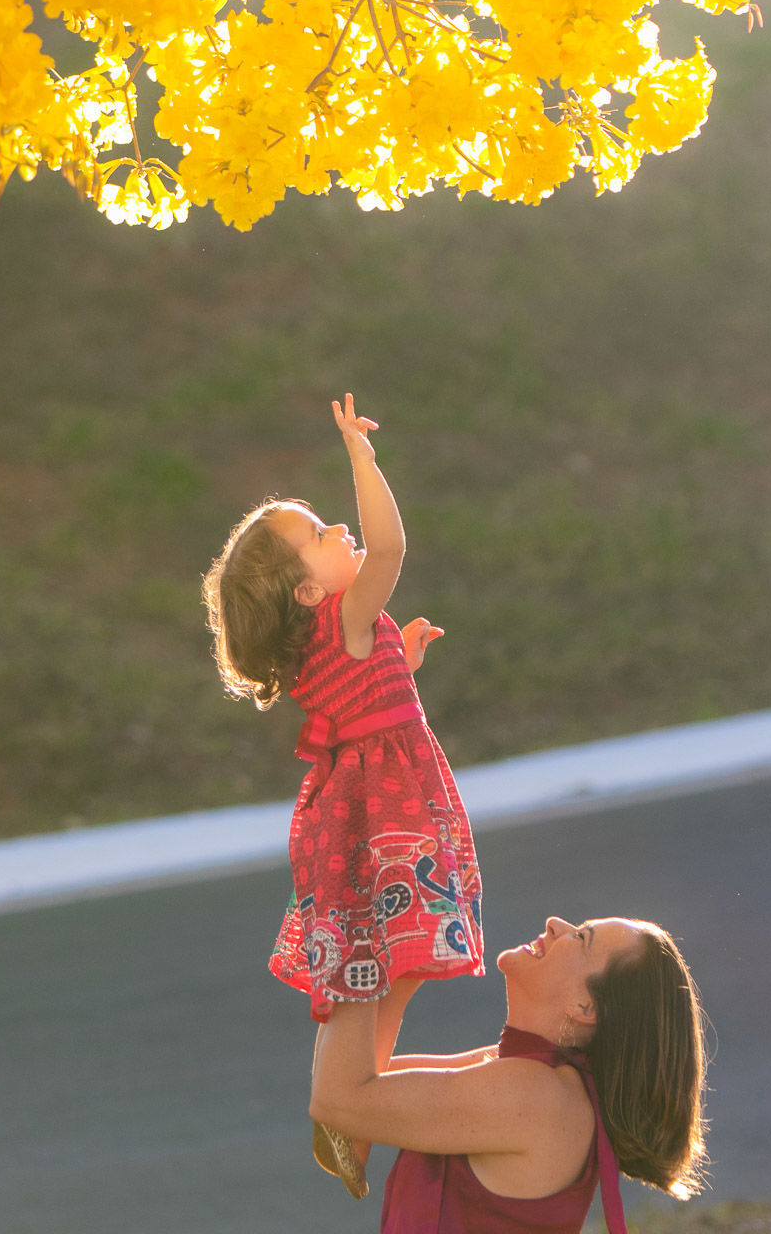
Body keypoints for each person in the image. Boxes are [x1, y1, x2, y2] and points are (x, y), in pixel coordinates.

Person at [204, 394, 484, 1198]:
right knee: (389, 959)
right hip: (387, 815)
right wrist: (362, 459)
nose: (343, 532)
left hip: (360, 810)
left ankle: (353, 1113)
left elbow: (358, 705)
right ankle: (349, 1110)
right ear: (303, 592)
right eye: (321, 534)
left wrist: (406, 666)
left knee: (380, 961)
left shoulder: (336, 638)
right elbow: (391, 545)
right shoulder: (346, 615)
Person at [309, 912, 709, 1232]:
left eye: (582, 937)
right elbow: (357, 1092)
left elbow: (340, 1100)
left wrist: (359, 928)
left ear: (587, 1008)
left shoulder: (537, 1096)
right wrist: (405, 962)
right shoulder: (533, 1075)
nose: (556, 923)